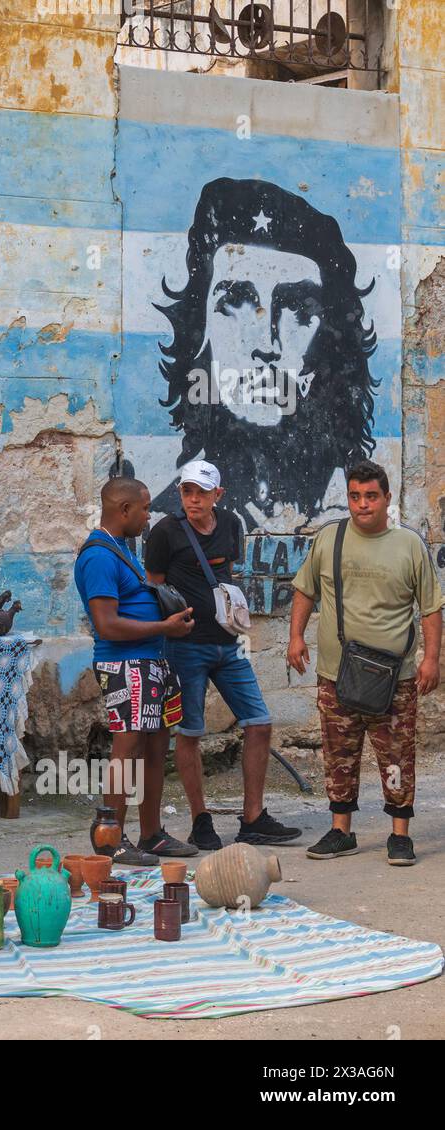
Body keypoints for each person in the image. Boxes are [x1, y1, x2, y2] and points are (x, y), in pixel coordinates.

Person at [151, 177, 379, 533]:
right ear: (199, 334)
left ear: (331, 343)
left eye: (298, 308)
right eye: (236, 301)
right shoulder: (164, 522)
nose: (267, 344)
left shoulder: (359, 516)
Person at [287, 460, 442, 866]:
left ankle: (399, 835)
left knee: (396, 756)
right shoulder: (330, 538)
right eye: (355, 496)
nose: (362, 505)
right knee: (339, 753)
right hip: (337, 673)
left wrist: (431, 660)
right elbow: (305, 589)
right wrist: (295, 637)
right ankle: (341, 830)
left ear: (386, 499)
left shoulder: (409, 544)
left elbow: (430, 609)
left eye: (370, 496)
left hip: (395, 677)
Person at [145, 460, 301, 850]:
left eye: (201, 492)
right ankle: (200, 821)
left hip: (228, 645)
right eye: (186, 491)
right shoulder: (165, 533)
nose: (193, 499)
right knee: (191, 733)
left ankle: (253, 818)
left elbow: (227, 571)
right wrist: (167, 631)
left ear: (218, 495)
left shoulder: (231, 524)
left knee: (259, 722)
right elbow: (155, 589)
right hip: (185, 647)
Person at [74, 477, 198, 866]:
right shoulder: (98, 556)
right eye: (144, 508)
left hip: (149, 662)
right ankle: (108, 838)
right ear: (124, 509)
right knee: (126, 748)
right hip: (125, 664)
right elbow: (107, 625)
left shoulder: (120, 549)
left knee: (155, 747)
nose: (149, 516)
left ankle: (151, 834)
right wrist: (165, 627)